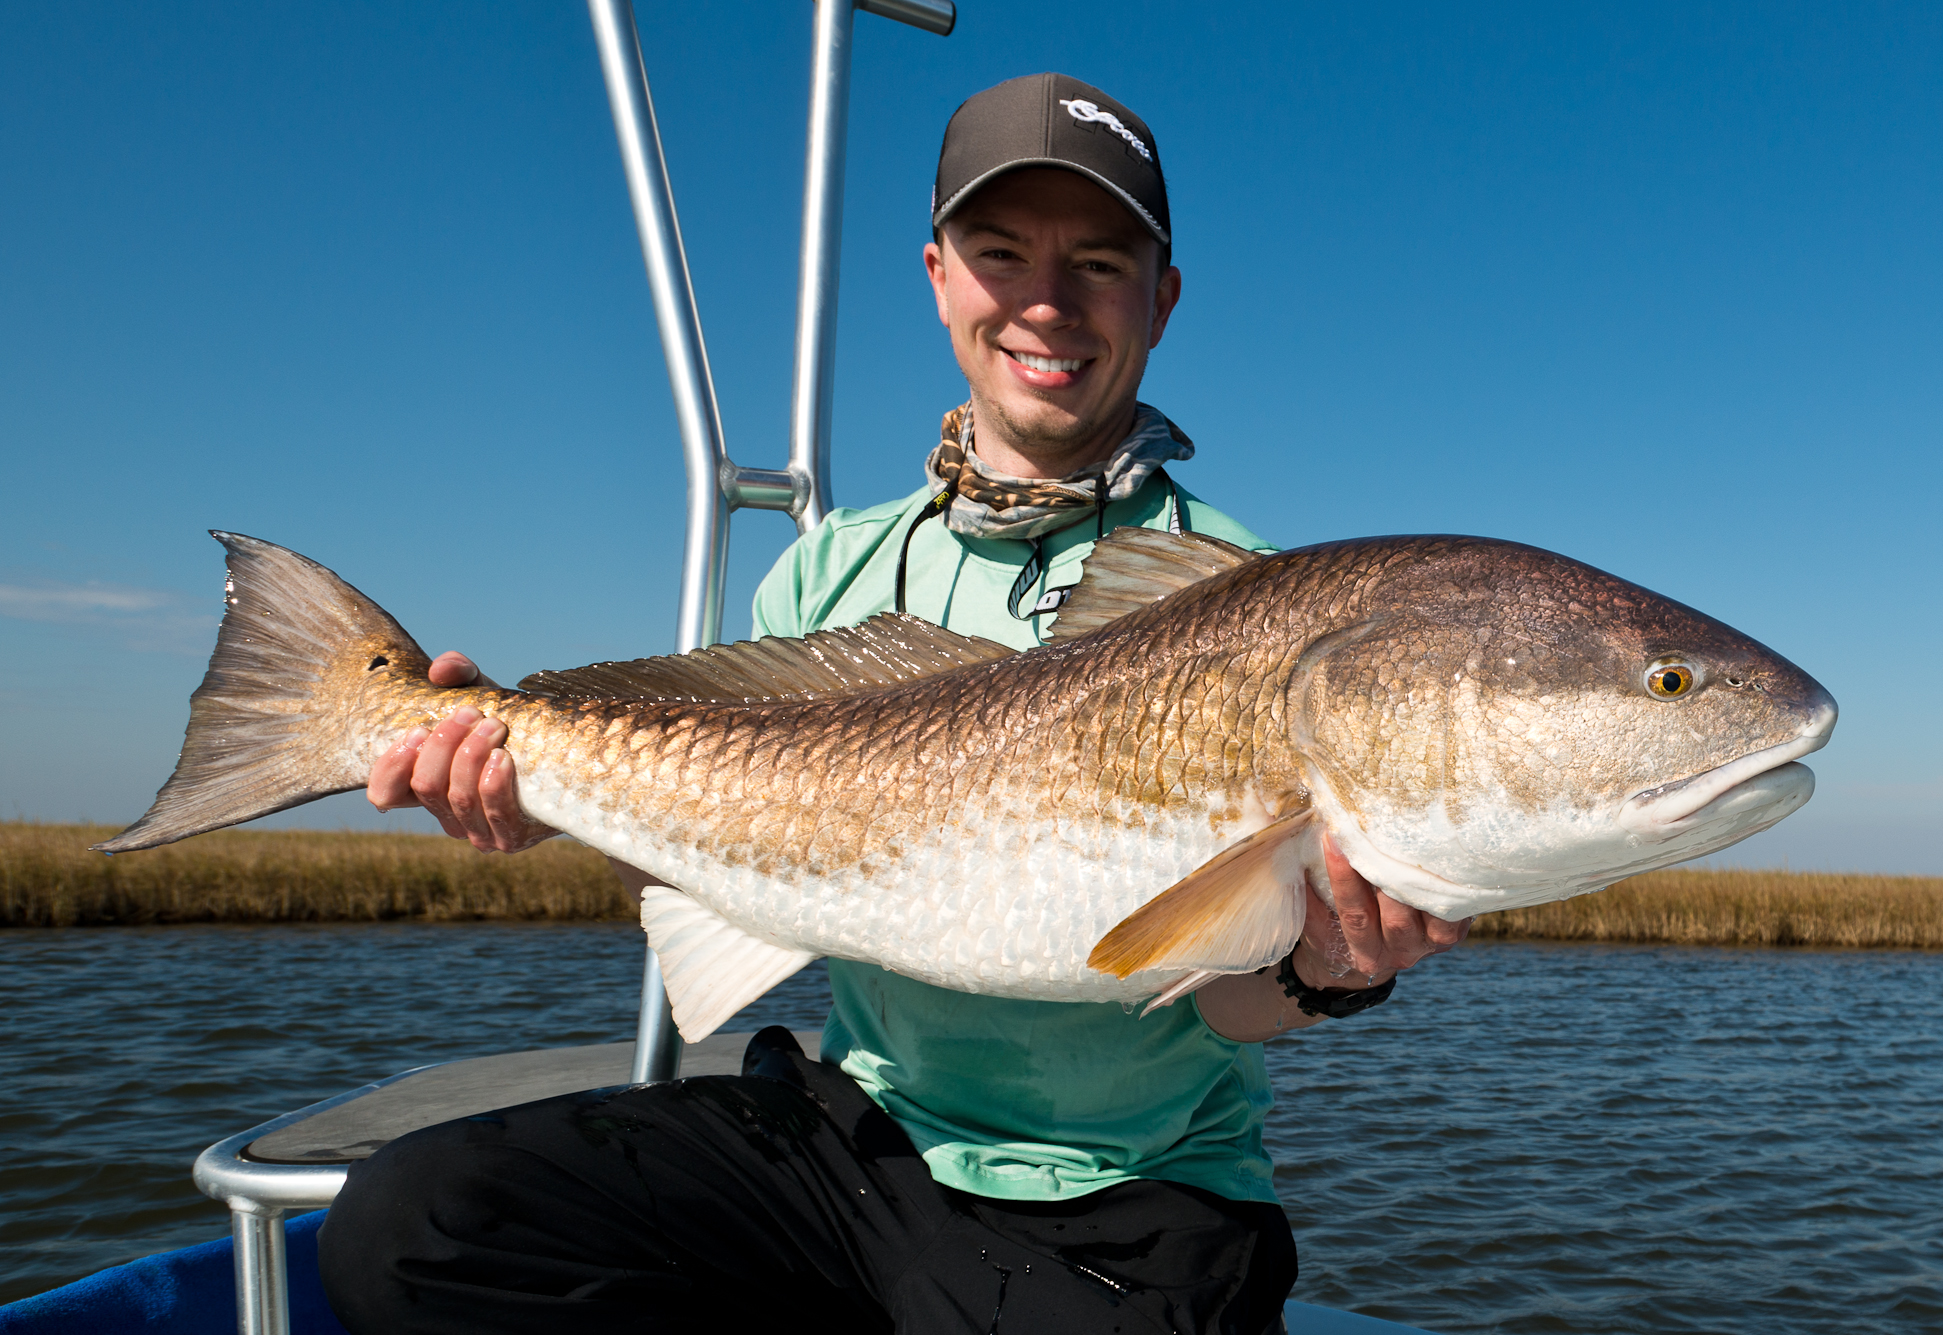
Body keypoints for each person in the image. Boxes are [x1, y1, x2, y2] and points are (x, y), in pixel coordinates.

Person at [323, 73, 1469, 1334]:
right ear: (935, 275)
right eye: (998, 255)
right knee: (413, 1223)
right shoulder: (831, 570)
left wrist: (1330, 973)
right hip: (851, 1141)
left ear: (1162, 297)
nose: (1045, 302)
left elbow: (1220, 1001)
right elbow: (739, 862)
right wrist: (538, 801)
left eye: (1097, 262)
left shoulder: (1245, 592)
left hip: (1133, 1197)